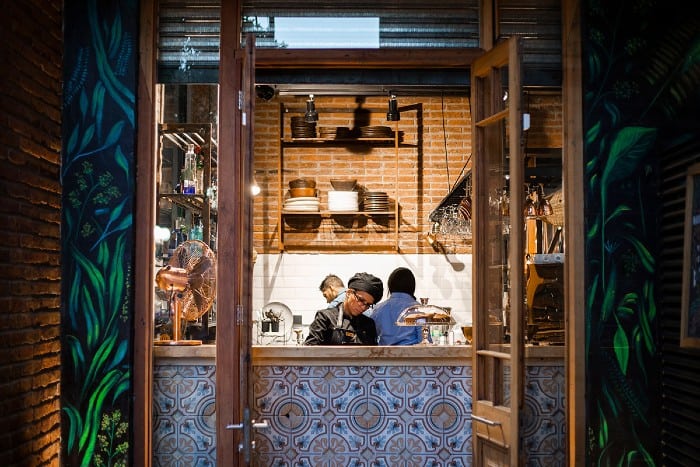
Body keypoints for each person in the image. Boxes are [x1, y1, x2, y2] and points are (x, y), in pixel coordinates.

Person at [304, 272, 383, 345]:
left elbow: (372, 355)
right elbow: (309, 351)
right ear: (349, 293)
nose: (363, 307)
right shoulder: (325, 318)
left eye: (368, 304)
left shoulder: (368, 324)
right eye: (361, 300)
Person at [371, 267, 423, 345]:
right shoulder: (419, 310)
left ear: (390, 285)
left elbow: (371, 337)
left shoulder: (378, 309)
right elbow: (425, 341)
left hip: (384, 355)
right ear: (412, 287)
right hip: (411, 355)